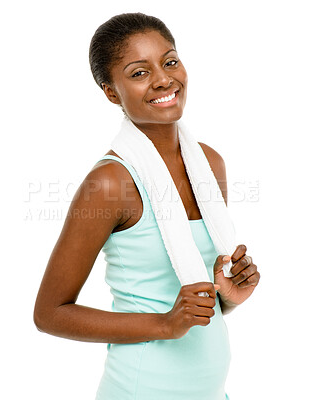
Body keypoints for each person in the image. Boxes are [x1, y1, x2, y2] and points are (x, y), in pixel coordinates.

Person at [33, 12, 260, 400]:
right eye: (139, 73)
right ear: (110, 91)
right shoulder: (110, 184)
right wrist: (164, 325)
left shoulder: (209, 165)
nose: (163, 79)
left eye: (169, 61)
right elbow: (50, 313)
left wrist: (230, 298)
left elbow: (196, 308)